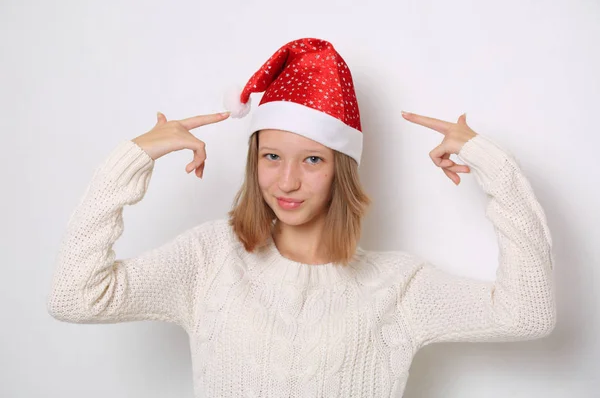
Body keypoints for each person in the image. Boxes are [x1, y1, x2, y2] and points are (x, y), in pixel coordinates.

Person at [47, 38, 556, 397]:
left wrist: (496, 168)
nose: (286, 181)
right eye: (271, 156)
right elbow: (76, 298)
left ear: (342, 170)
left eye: (312, 159)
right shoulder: (209, 259)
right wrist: (132, 158)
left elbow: (527, 314)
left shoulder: (398, 287)